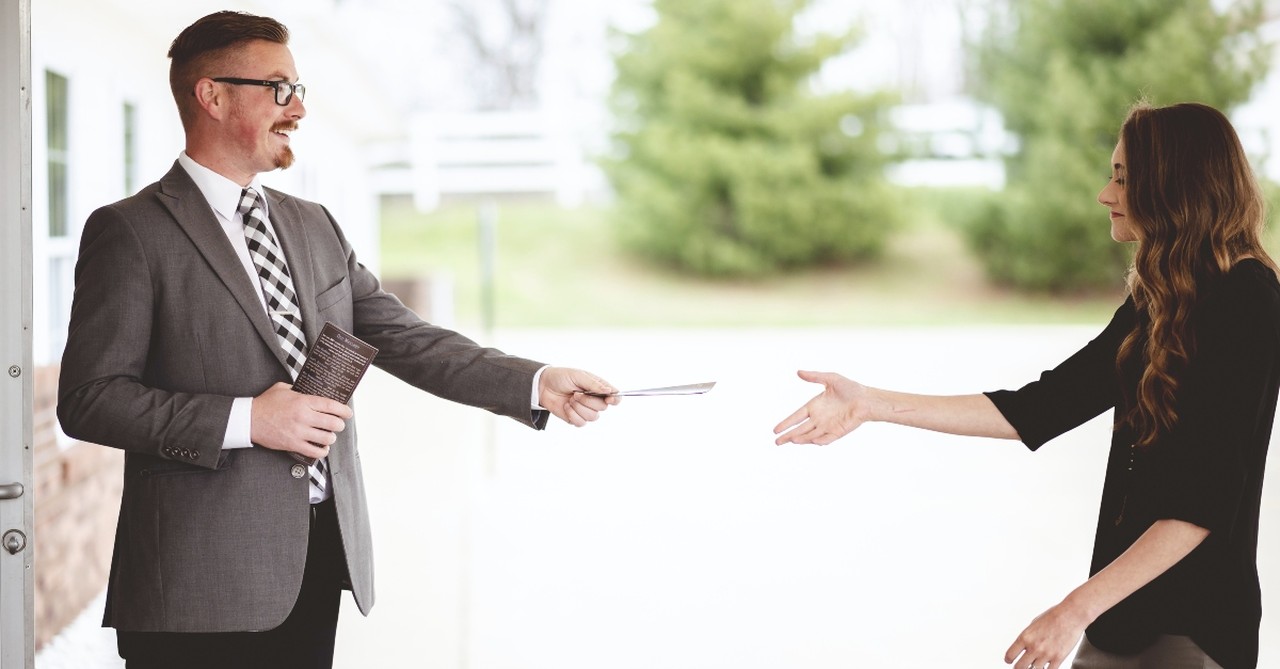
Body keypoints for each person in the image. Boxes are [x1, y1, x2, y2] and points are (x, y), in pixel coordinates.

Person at [56, 10, 620, 669]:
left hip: (315, 563)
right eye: (278, 89)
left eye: (299, 90)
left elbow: (407, 338)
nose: (296, 108)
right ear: (211, 94)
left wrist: (535, 380)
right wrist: (249, 419)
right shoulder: (131, 232)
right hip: (195, 588)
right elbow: (90, 398)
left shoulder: (313, 224)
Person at [773, 102, 1279, 669]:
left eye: (1122, 177)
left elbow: (1200, 504)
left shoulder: (1248, 299)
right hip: (1120, 622)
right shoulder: (1158, 300)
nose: (1105, 195)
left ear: (1176, 184)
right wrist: (870, 404)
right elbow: (1041, 407)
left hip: (1193, 632)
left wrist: (1072, 612)